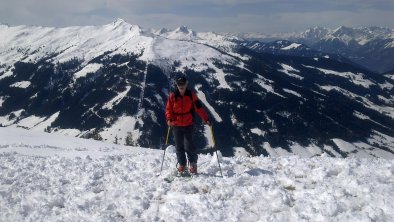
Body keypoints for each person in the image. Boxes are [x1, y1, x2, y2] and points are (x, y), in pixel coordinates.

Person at [165, 74, 211, 174]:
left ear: (186, 84)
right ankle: (182, 164)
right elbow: (168, 109)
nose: (181, 86)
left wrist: (206, 119)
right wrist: (169, 118)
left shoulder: (191, 95)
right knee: (179, 147)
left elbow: (199, 108)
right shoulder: (172, 96)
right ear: (176, 85)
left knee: (189, 146)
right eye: (179, 84)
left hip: (188, 124)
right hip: (176, 125)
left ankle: (193, 163)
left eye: (183, 83)